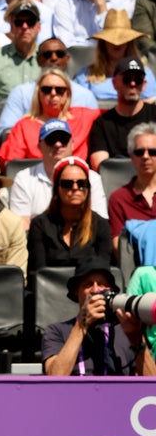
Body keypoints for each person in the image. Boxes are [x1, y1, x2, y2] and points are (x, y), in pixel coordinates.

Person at [42, 258, 154, 376]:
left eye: (101, 284)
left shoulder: (125, 331)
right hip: (75, 394)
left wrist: (136, 341)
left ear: (110, 290)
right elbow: (54, 378)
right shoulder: (56, 331)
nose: (95, 290)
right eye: (88, 284)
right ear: (77, 291)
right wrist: (81, 326)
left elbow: (152, 385)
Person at [27, 156, 113, 279]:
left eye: (81, 184)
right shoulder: (40, 225)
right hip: (48, 294)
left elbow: (104, 272)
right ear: (57, 188)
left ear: (88, 188)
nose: (75, 188)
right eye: (67, 184)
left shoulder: (100, 225)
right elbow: (37, 273)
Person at [0, 72, 98, 164]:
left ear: (68, 93)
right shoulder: (24, 126)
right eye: (47, 90)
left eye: (59, 90)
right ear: (38, 94)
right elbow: (11, 164)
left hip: (75, 179)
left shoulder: (84, 116)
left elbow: (112, 115)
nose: (53, 93)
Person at [89, 59, 156, 168]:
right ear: (114, 83)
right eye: (127, 79)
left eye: (138, 80)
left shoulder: (154, 114)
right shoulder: (102, 124)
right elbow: (101, 167)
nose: (133, 84)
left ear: (144, 85)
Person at [107, 121, 156, 258]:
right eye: (139, 152)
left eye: (152, 152)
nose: (146, 157)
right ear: (132, 157)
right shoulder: (119, 198)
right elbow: (118, 245)